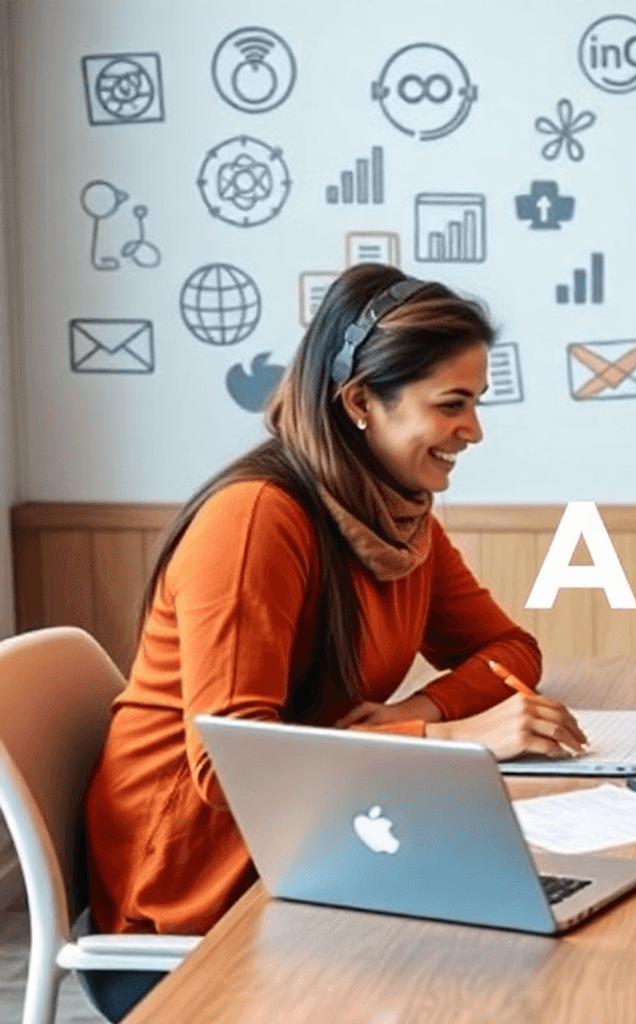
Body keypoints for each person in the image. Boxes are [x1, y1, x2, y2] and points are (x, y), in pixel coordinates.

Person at [82, 264, 586, 1020]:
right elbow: (231, 765)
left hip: (305, 857)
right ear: (359, 403)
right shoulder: (256, 520)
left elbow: (511, 650)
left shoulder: (398, 518)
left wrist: (410, 713)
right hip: (189, 920)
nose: (474, 430)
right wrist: (448, 737)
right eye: (453, 404)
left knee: (536, 930)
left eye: (476, 403)